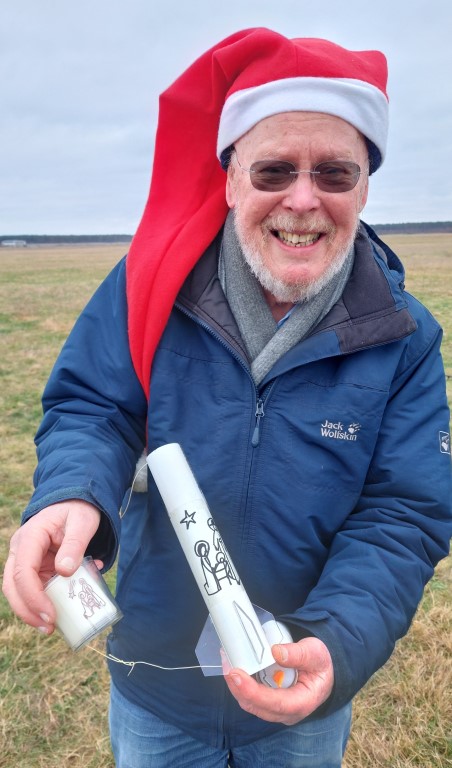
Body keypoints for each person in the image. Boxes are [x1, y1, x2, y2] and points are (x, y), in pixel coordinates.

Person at [3, 27, 452, 768]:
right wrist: (74, 492)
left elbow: (403, 514)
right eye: (273, 170)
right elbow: (94, 408)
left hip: (299, 685)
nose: (303, 199)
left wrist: (333, 641)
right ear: (232, 179)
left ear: (365, 186)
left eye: (334, 173)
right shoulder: (150, 288)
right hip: (157, 687)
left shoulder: (404, 337)